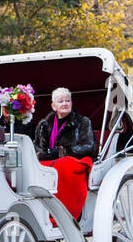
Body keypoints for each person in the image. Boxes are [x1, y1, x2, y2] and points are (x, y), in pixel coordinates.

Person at [33, 86, 96, 221]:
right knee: (36, 167)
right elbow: (36, 146)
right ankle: (41, 213)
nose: (65, 103)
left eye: (68, 100)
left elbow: (88, 146)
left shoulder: (83, 122)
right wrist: (41, 154)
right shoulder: (44, 124)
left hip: (75, 160)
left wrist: (62, 151)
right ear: (53, 106)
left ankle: (65, 215)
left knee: (63, 165)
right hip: (50, 161)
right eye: (61, 101)